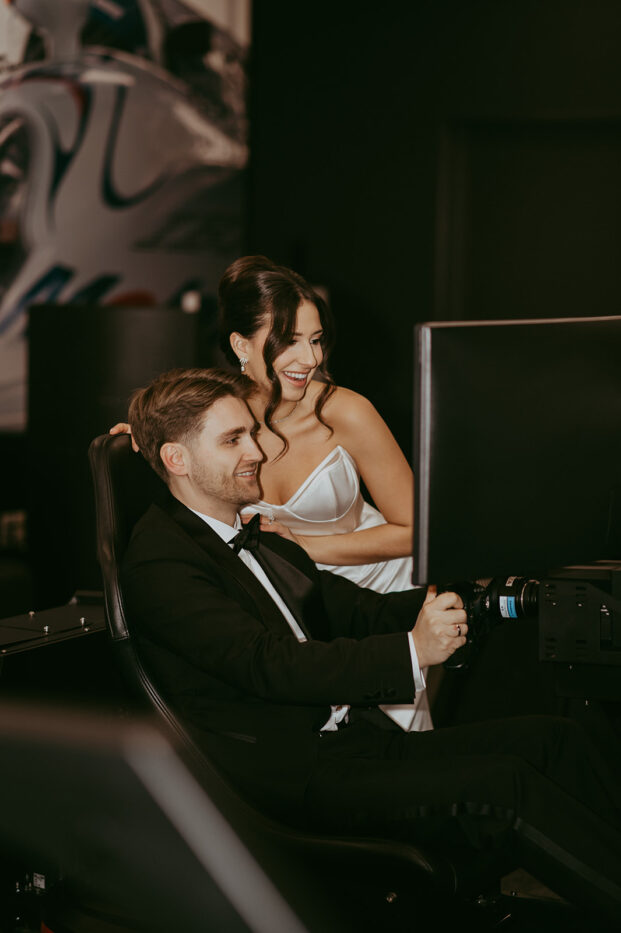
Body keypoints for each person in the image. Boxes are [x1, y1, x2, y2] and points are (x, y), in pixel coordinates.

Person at [122, 366, 621, 927]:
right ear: (176, 459)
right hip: (291, 777)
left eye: (252, 433)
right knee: (506, 789)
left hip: (352, 742)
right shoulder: (160, 562)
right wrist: (414, 651)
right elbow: (271, 665)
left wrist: (474, 597)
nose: (258, 451)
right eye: (233, 439)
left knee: (555, 741)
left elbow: (362, 610)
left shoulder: (255, 533)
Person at [114, 254, 431, 731]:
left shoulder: (347, 412)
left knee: (399, 745)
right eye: (289, 341)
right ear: (241, 345)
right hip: (283, 605)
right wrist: (147, 435)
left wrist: (303, 548)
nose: (311, 359)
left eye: (316, 340)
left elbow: (417, 532)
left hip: (376, 593)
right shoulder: (215, 422)